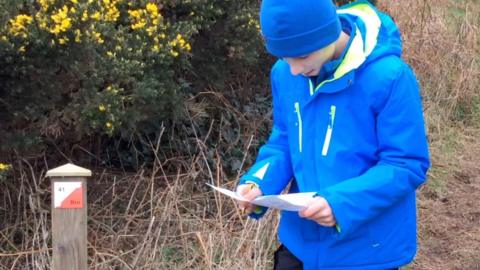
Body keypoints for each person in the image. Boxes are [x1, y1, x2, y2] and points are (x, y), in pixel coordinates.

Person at [236, 0, 430, 269]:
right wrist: (259, 182)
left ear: (327, 32)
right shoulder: (285, 73)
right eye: (283, 57)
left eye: (302, 56)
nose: (294, 69)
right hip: (300, 243)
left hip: (366, 251)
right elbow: (284, 140)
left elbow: (405, 164)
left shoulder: (390, 78)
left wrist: (340, 204)